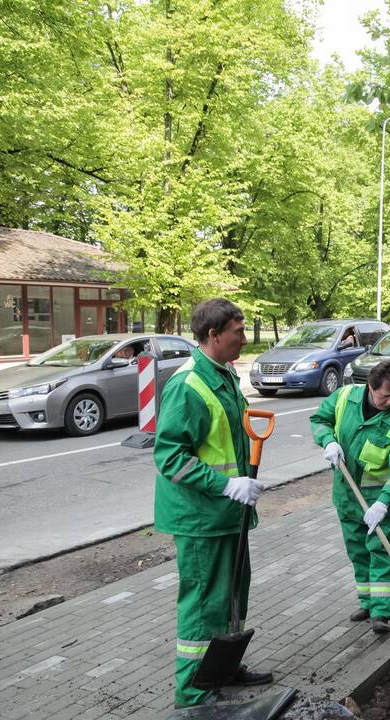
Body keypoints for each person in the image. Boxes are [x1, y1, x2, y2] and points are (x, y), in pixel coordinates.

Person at [153, 299, 272, 708]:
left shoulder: (223, 375)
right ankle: (191, 689)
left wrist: (239, 486)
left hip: (226, 514)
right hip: (200, 516)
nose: (244, 338)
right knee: (204, 603)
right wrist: (226, 485)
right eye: (238, 331)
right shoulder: (188, 385)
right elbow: (169, 458)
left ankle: (223, 668)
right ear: (214, 335)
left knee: (232, 597)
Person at [310, 359, 390, 635]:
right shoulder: (344, 397)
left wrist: (384, 504)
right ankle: (368, 602)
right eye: (385, 396)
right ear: (370, 387)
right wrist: (328, 441)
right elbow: (319, 419)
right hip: (346, 495)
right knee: (358, 552)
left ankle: (382, 613)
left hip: (379, 501)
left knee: (382, 553)